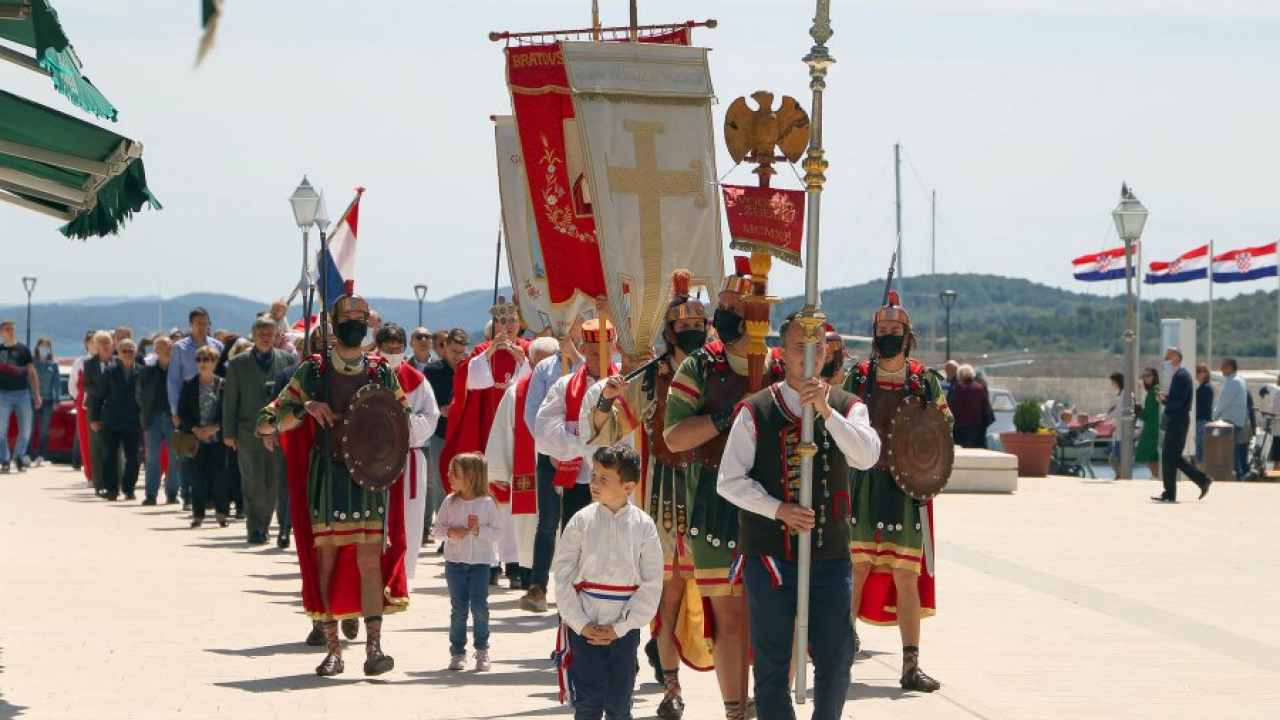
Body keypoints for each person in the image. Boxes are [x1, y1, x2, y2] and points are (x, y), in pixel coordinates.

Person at [719, 313, 880, 720]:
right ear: (783, 351)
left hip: (829, 553)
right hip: (770, 554)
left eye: (818, 346)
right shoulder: (756, 409)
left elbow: (867, 455)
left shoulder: (848, 406)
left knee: (836, 656)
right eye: (799, 346)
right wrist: (779, 510)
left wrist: (826, 411)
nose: (810, 354)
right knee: (771, 664)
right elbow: (729, 480)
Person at [256, 283, 410, 677]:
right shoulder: (315, 369)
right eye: (348, 320)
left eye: (361, 320)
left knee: (369, 560)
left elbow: (401, 417)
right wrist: (307, 407)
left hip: (371, 478)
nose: (355, 326)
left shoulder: (380, 370)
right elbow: (268, 420)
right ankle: (333, 649)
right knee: (326, 559)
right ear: (335, 325)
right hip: (329, 475)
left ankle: (374, 649)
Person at [585, 270, 713, 717]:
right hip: (665, 501)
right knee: (668, 596)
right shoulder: (650, 377)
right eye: (685, 327)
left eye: (700, 326)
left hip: (715, 497)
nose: (694, 333)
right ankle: (671, 689)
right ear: (670, 333)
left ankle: (737, 692)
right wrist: (605, 399)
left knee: (728, 597)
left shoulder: (719, 372)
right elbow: (610, 427)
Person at [663, 258, 777, 720]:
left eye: (736, 308)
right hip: (713, 505)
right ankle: (735, 710)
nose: (726, 315)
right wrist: (727, 418)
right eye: (723, 307)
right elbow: (673, 437)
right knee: (729, 619)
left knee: (770, 620)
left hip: (773, 506)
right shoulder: (698, 366)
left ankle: (768, 705)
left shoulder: (781, 365)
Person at [843, 290, 952, 693]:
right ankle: (838, 656)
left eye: (895, 329)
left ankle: (910, 666)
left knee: (907, 574)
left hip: (905, 488)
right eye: (882, 329)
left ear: (908, 334)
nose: (889, 334)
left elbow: (943, 429)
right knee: (856, 571)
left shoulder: (923, 381)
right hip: (864, 484)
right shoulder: (859, 377)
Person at [552, 444, 662, 720]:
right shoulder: (580, 521)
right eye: (593, 475)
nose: (594, 483)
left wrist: (622, 627)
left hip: (624, 631)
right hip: (584, 625)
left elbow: (651, 583)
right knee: (588, 703)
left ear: (628, 486)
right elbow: (563, 576)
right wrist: (580, 623)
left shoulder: (644, 525)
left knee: (619, 704)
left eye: (604, 478)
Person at [520, 319, 585, 613]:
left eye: (576, 325)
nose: (571, 329)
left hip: (586, 457)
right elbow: (533, 414)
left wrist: (576, 449)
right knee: (548, 519)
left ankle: (576, 587)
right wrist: (553, 449)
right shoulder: (545, 370)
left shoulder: (588, 366)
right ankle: (537, 586)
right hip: (551, 457)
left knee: (578, 522)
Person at [486, 336, 559, 593]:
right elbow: (504, 432)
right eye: (538, 362)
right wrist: (498, 471)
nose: (544, 369)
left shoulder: (570, 385)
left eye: (550, 361)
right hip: (529, 472)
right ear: (529, 361)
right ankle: (531, 578)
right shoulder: (517, 392)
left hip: (563, 469)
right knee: (530, 528)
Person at [376, 322, 440, 579]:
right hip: (374, 459)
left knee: (409, 518)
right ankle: (374, 569)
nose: (393, 351)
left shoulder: (417, 380)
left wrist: (400, 425)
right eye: (388, 347)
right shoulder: (368, 374)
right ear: (377, 347)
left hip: (408, 458)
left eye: (398, 347)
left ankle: (402, 572)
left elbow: (431, 418)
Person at [224, 317, 294, 544]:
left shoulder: (287, 361)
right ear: (253, 335)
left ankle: (265, 523)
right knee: (252, 480)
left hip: (277, 431)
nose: (265, 336)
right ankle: (255, 527)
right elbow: (230, 401)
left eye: (270, 333)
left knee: (273, 480)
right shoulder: (237, 364)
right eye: (261, 332)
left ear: (276, 336)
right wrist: (229, 433)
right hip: (247, 431)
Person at [431, 452, 501, 672]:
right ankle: (457, 652)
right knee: (458, 609)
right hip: (455, 564)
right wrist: (451, 532)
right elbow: (437, 529)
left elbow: (497, 532)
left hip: (480, 564)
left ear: (470, 476)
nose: (449, 475)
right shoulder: (449, 502)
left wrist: (478, 530)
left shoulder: (487, 503)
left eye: (455, 473)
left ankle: (482, 650)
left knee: (480, 607)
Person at [168, 308, 224, 511]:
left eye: (205, 322)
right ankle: (187, 494)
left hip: (211, 406)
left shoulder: (217, 346)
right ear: (190, 324)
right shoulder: (179, 348)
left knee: (211, 454)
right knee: (187, 452)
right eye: (199, 322)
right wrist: (175, 411)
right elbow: (173, 380)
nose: (202, 326)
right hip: (188, 407)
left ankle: (208, 497)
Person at [423, 328, 469, 542]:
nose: (456, 356)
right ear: (444, 348)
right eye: (453, 351)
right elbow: (427, 399)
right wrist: (440, 410)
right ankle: (443, 529)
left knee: (465, 481)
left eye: (460, 352)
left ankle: (461, 526)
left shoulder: (470, 369)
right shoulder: (432, 371)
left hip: (462, 433)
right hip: (440, 432)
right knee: (442, 480)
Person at [179, 346, 229, 527]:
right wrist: (194, 428)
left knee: (220, 477)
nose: (202, 363)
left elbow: (228, 412)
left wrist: (215, 428)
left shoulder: (223, 384)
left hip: (217, 438)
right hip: (196, 439)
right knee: (196, 477)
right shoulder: (188, 384)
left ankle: (222, 514)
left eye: (206, 359)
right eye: (199, 359)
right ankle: (197, 515)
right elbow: (181, 412)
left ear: (215, 362)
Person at [1153, 348, 1211, 502]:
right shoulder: (1180, 375)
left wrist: (1164, 400)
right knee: (1173, 457)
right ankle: (1200, 481)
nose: (1167, 358)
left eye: (1170, 355)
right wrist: (1166, 398)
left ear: (1177, 357)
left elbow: (1177, 402)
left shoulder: (1181, 376)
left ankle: (1175, 490)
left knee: (1169, 456)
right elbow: (1178, 398)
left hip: (1178, 421)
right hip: (1179, 420)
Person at [89, 338, 143, 500]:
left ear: (136, 353)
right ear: (118, 353)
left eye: (131, 351)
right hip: (111, 421)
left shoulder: (142, 372)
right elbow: (98, 396)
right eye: (124, 351)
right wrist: (94, 418)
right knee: (110, 456)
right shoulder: (110, 372)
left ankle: (129, 488)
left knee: (134, 457)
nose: (127, 354)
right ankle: (112, 489)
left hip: (133, 422)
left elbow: (147, 397)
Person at [137, 337, 177, 505]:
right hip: (153, 419)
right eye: (164, 346)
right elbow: (140, 395)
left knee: (174, 457)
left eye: (170, 346)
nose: (168, 349)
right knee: (152, 458)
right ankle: (151, 494)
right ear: (156, 351)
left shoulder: (178, 371)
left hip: (173, 419)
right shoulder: (147, 372)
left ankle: (172, 493)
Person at [0, 319, 42, 474]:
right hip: (3, 394)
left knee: (26, 429)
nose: (11, 331)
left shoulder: (23, 350)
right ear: (1, 332)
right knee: (1, 430)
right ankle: (5, 459)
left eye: (12, 328)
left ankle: (18, 456)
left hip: (23, 394)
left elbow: (31, 372)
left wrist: (36, 394)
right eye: (7, 329)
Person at [82, 331, 115, 491]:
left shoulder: (118, 362)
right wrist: (102, 391)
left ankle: (115, 482)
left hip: (115, 409)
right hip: (95, 408)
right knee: (96, 447)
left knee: (115, 447)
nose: (106, 345)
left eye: (108, 341)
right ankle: (98, 483)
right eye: (102, 342)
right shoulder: (89, 364)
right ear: (96, 346)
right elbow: (86, 386)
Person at [1213, 357, 1249, 480]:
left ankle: (1237, 476)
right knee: (1231, 450)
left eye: (1223, 366)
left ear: (1230, 367)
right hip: (1236, 421)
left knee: (1228, 451)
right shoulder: (1239, 380)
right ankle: (1238, 475)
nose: (1221, 369)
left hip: (1230, 421)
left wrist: (1213, 417)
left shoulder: (1233, 381)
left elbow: (1223, 402)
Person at [948, 364, 993, 449]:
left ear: (960, 374)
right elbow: (985, 406)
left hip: (961, 426)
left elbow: (955, 407)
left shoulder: (959, 387)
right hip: (976, 426)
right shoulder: (979, 387)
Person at [68, 330, 94, 473]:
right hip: (83, 403)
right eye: (91, 341)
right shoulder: (80, 362)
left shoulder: (106, 360)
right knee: (84, 438)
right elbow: (72, 385)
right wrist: (80, 398)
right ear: (86, 344)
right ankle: (89, 472)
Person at [31, 337, 59, 466]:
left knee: (44, 430)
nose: (44, 349)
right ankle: (27, 455)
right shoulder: (32, 363)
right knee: (29, 429)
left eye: (46, 346)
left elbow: (57, 384)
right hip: (32, 399)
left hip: (48, 401)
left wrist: (57, 400)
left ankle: (41, 455)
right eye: (41, 346)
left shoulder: (53, 364)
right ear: (37, 347)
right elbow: (28, 381)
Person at [1135, 367, 1161, 478]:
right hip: (1151, 424)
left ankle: (1156, 475)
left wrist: (1140, 414)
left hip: (1152, 425)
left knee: (1148, 452)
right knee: (1151, 453)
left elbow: (1149, 409)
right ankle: (1156, 475)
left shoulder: (1154, 390)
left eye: (1148, 375)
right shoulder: (1153, 390)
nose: (1146, 378)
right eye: (1144, 376)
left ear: (1154, 376)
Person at [1105, 372, 1125, 478]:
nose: (1113, 385)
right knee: (1114, 457)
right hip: (1119, 431)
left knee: (1114, 457)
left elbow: (1119, 411)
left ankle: (1120, 475)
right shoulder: (1122, 394)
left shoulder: (1124, 394)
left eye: (1113, 382)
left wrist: (1105, 419)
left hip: (1122, 432)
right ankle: (1119, 475)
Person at [1194, 363, 1213, 462]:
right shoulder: (1201, 388)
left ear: (1206, 373)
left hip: (1202, 421)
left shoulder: (1205, 388)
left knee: (1200, 448)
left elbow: (1203, 407)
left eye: (1199, 371)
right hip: (1200, 421)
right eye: (1196, 371)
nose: (1197, 374)